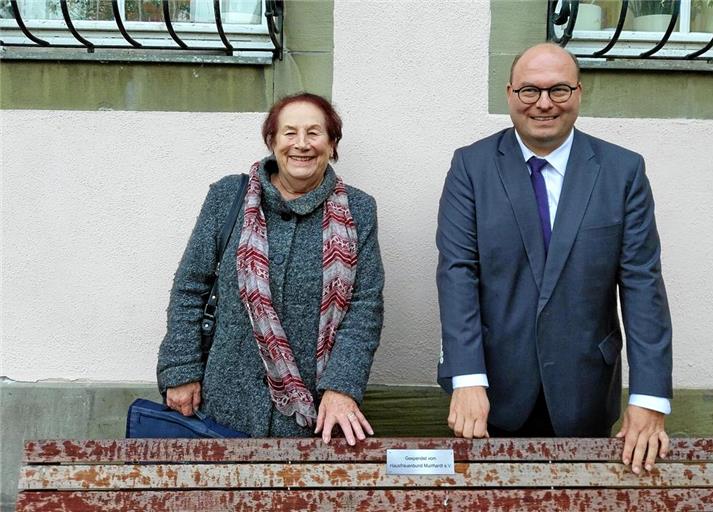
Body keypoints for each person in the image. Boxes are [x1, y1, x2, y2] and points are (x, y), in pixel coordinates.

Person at [436, 43, 672, 474]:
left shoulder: (623, 171)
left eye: (559, 90)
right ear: (510, 94)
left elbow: (642, 284)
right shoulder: (471, 167)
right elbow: (457, 273)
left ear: (579, 93)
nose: (544, 103)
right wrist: (466, 377)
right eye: (530, 91)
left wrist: (648, 398)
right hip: (491, 396)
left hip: (586, 391)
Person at [157, 93, 384, 446]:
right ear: (272, 142)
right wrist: (180, 370)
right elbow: (190, 287)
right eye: (289, 133)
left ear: (332, 143)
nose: (302, 145)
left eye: (314, 133)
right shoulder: (228, 197)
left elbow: (365, 306)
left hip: (314, 418)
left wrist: (341, 386)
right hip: (222, 408)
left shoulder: (359, 209)